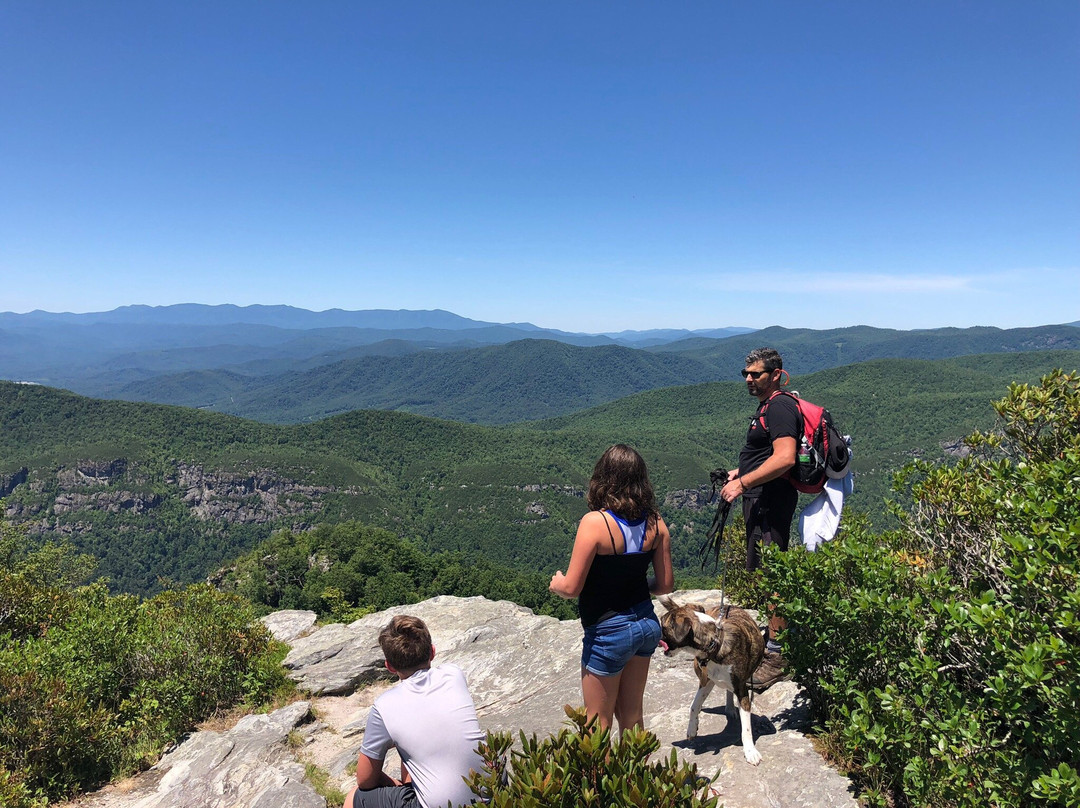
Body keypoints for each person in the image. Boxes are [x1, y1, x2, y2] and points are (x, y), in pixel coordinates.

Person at [549, 444, 675, 731]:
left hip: (608, 631)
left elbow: (571, 588)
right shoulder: (656, 523)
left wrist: (557, 583)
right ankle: (636, 775)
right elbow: (665, 584)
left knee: (597, 721)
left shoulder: (595, 523)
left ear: (603, 479)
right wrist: (636, 583)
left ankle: (601, 777)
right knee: (632, 717)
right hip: (646, 625)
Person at [344, 615, 485, 808]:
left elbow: (365, 781)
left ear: (390, 666)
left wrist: (389, 782)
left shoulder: (385, 706)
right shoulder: (454, 674)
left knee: (354, 797)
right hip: (489, 794)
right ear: (432, 652)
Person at [719, 347, 798, 690]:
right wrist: (742, 471)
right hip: (762, 499)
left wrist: (743, 483)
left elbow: (785, 459)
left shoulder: (779, 405)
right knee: (765, 574)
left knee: (773, 576)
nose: (749, 379)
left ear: (776, 374)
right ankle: (774, 638)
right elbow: (768, 454)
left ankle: (777, 655)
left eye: (756, 374)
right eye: (746, 374)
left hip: (770, 504)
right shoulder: (768, 406)